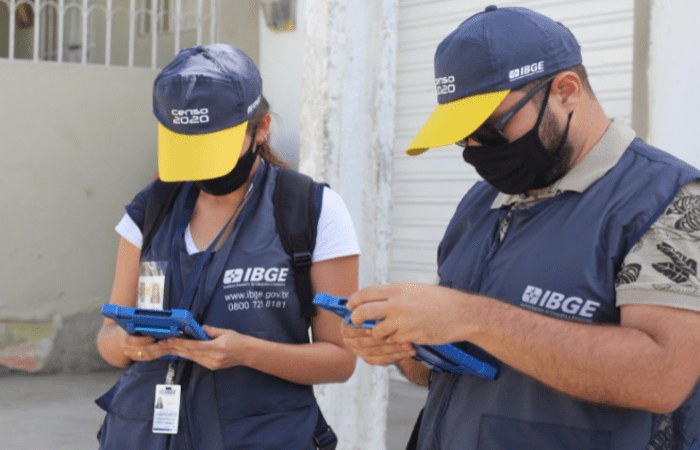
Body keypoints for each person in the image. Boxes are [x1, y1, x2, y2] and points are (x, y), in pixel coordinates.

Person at [343, 6, 700, 450]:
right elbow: (446, 369)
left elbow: (662, 378)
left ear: (566, 91)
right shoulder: (481, 203)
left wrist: (472, 316)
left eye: (489, 128)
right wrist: (402, 347)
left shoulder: (668, 200)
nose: (475, 148)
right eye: (462, 135)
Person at [95, 44, 359, 450]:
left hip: (260, 438)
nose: (201, 167)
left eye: (213, 147)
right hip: (141, 433)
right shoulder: (150, 209)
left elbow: (340, 360)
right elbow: (109, 339)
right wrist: (126, 344)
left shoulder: (312, 210)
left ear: (261, 128)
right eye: (189, 148)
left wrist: (247, 352)